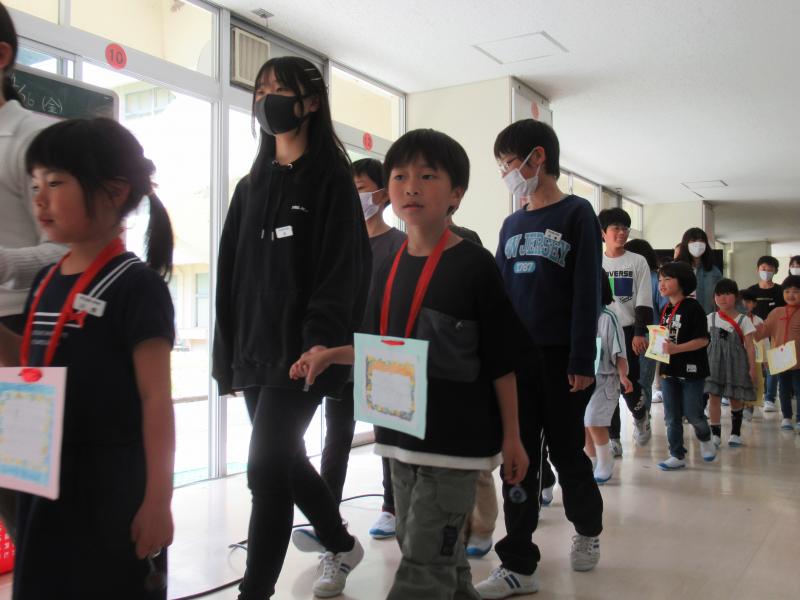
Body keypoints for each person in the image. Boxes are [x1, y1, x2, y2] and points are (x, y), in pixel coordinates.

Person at [290, 128, 529, 599]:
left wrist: (513, 437)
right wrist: (330, 354)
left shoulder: (475, 265)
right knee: (435, 557)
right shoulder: (385, 265)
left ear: (456, 193)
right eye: (400, 176)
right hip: (398, 440)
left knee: (422, 565)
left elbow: (502, 361)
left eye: (427, 176)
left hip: (454, 445)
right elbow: (380, 346)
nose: (411, 187)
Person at [212, 57, 371, 599]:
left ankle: (253, 593)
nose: (268, 99)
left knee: (264, 471)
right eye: (260, 90)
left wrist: (319, 342)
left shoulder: (331, 181)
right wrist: (226, 357)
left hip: (304, 350)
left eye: (281, 89)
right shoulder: (249, 187)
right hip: (254, 348)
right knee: (284, 460)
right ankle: (340, 543)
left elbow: (339, 272)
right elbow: (230, 276)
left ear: (311, 102)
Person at [0, 117, 175, 598]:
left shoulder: (137, 286)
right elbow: (29, 367)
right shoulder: (45, 281)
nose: (39, 198)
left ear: (114, 192)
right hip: (44, 479)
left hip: (111, 488)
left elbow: (156, 398)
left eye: (56, 183)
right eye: (35, 184)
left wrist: (157, 501)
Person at [476, 119, 604, 599]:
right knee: (518, 459)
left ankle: (587, 528)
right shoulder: (511, 224)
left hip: (562, 359)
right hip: (516, 361)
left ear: (538, 157)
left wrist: (581, 360)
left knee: (568, 453)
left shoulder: (577, 213)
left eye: (509, 163)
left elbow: (588, 291)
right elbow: (497, 293)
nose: (506, 174)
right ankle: (517, 562)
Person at [290, 157, 404, 547]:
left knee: (387, 436)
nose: (356, 197)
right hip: (340, 357)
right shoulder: (339, 245)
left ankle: (391, 506)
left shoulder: (398, 245)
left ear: (382, 195)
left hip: (382, 357)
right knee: (336, 437)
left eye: (361, 188)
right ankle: (327, 514)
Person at [0, 1, 66, 540]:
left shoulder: (31, 136)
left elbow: (64, 248)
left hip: (20, 336)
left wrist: (3, 264)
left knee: (27, 508)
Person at [598, 207, 653, 456]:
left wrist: (640, 332)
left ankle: (640, 415)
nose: (621, 233)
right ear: (603, 233)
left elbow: (644, 299)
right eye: (616, 228)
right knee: (606, 384)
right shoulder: (595, 261)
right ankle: (613, 439)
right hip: (601, 331)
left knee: (627, 382)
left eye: (625, 228)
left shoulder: (637, 261)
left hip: (628, 330)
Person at [655, 261, 716, 470]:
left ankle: (705, 438)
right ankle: (677, 454)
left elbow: (703, 340)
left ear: (682, 282)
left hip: (692, 370)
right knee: (671, 416)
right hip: (668, 371)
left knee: (693, 414)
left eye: (667, 279)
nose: (661, 284)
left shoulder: (693, 307)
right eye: (660, 280)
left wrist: (676, 349)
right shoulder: (665, 309)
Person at [584, 272, 632, 484]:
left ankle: (605, 461)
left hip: (604, 379)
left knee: (594, 420)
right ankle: (592, 460)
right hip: (583, 379)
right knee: (584, 423)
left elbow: (619, 352)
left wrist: (623, 376)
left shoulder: (608, 317)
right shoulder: (577, 316)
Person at [705, 279, 756, 447]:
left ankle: (735, 433)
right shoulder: (710, 318)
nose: (722, 298)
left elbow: (750, 346)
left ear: (736, 297)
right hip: (713, 363)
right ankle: (715, 434)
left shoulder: (744, 320)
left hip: (736, 363)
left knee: (735, 397)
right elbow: (703, 342)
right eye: (718, 294)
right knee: (714, 397)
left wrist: (752, 368)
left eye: (727, 294)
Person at [754, 275, 800, 433]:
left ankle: (799, 419)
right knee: (784, 390)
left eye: (796, 291)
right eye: (787, 291)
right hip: (781, 360)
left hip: (799, 361)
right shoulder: (776, 312)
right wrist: (752, 327)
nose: (791, 295)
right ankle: (786, 417)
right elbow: (762, 332)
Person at [624, 238, 666, 410]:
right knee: (644, 380)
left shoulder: (653, 278)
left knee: (640, 380)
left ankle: (642, 415)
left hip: (651, 334)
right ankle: (643, 416)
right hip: (656, 333)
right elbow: (664, 310)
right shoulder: (656, 278)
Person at [745, 256, 785, 413]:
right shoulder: (751, 291)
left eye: (770, 269)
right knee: (754, 364)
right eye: (763, 268)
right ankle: (753, 397)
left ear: (775, 271)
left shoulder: (781, 290)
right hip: (754, 333)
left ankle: (770, 398)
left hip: (775, 333)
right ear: (757, 269)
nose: (766, 272)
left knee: (772, 366)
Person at [675, 227, 721, 314]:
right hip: (680, 317)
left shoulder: (714, 271)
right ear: (685, 243)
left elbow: (721, 295)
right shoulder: (675, 269)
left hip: (707, 317)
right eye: (693, 240)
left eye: (701, 241)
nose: (698, 244)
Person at [740, 289, 765, 421]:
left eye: (749, 301)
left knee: (755, 381)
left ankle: (749, 407)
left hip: (755, 357)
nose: (745, 304)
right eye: (742, 301)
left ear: (754, 304)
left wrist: (765, 359)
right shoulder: (736, 319)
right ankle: (740, 407)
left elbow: (764, 340)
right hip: (738, 357)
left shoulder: (758, 320)